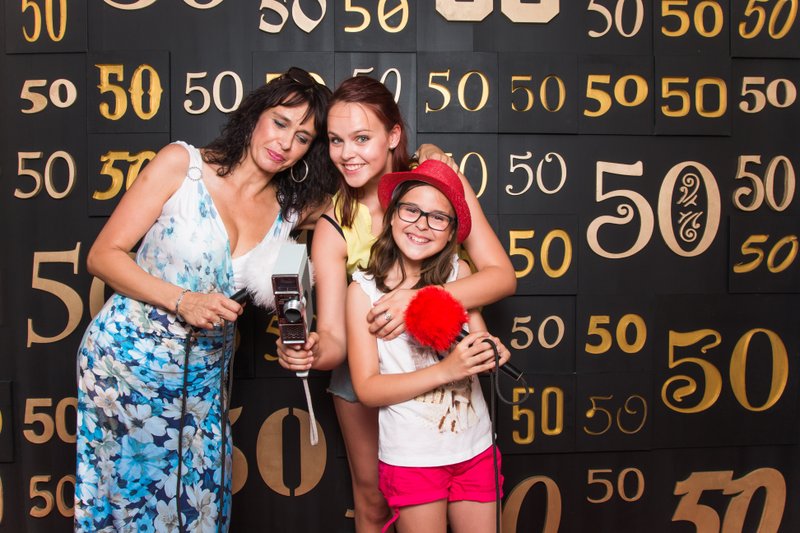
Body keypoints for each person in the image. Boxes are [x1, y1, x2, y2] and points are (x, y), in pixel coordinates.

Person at [74, 67, 336, 532]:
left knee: (197, 510)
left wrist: (425, 161)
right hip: (124, 367)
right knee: (124, 510)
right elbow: (103, 255)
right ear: (256, 115)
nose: (285, 143)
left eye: (302, 137)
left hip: (202, 386)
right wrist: (183, 300)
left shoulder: (291, 210)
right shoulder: (183, 165)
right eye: (279, 122)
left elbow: (370, 194)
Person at [277, 76, 516, 532]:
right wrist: (310, 351)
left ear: (393, 136)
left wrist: (417, 300)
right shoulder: (333, 222)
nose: (347, 153)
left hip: (447, 360)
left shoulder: (437, 180)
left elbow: (501, 276)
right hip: (368, 365)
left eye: (361, 138)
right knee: (373, 498)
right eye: (335, 140)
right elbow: (335, 338)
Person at [347, 162, 508, 533]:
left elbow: (478, 341)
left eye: (438, 218)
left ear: (452, 233)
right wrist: (446, 370)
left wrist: (490, 352)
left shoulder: (459, 275)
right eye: (411, 210)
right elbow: (368, 389)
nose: (421, 225)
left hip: (476, 447)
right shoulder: (363, 293)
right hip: (412, 457)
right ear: (392, 215)